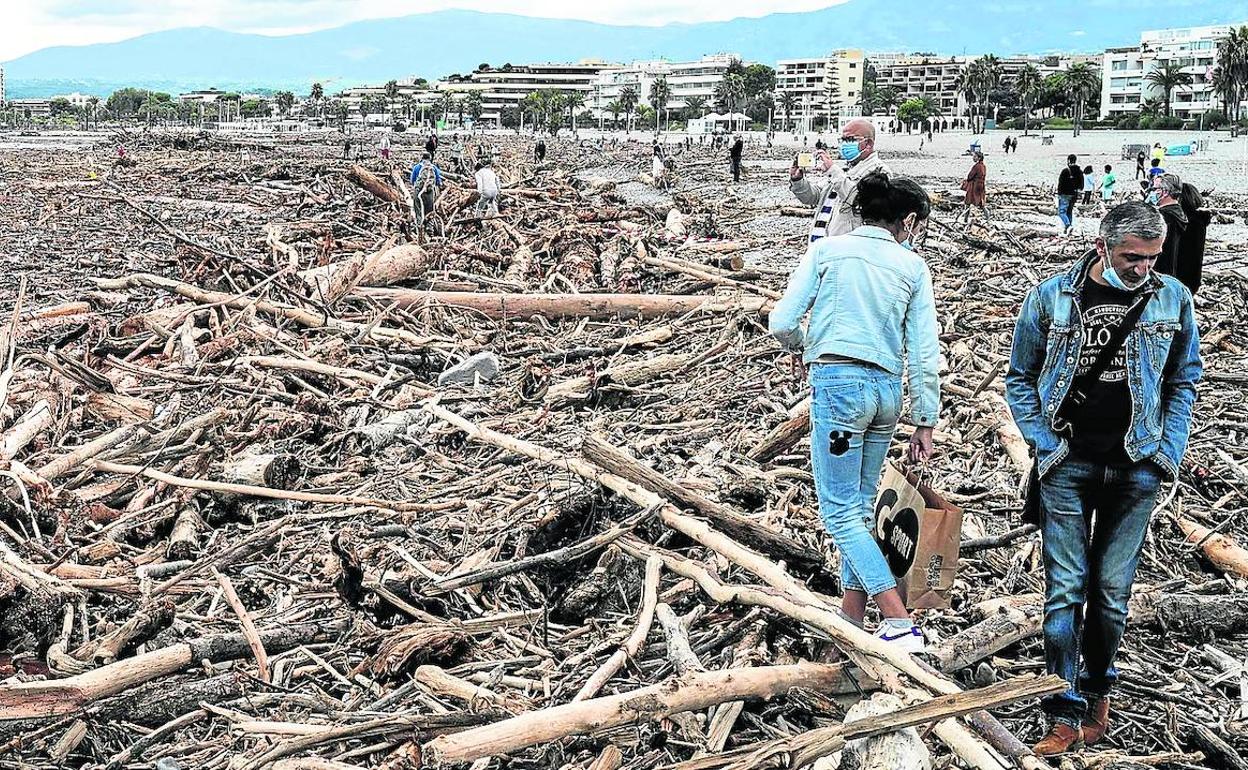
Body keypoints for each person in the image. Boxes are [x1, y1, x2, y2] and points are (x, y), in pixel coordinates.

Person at [1005, 201, 1201, 755]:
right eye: (1131, 257)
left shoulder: (1172, 298)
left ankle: (1097, 693)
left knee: (1111, 596)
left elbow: (1183, 379)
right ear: (1102, 247)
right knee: (1064, 593)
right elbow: (1020, 378)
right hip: (1068, 465)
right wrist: (1045, 442)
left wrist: (1167, 453)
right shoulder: (1051, 297)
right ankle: (1063, 710)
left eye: (1152, 257)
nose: (1143, 268)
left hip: (1138, 465)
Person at [769, 172, 940, 653]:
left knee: (839, 512)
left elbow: (781, 321)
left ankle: (899, 622)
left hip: (840, 388)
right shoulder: (912, 266)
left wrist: (808, 347)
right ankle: (851, 616)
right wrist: (925, 420)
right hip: (886, 393)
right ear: (908, 220)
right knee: (859, 507)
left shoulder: (827, 251)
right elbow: (923, 352)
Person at [790, 118, 892, 242]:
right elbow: (813, 197)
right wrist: (798, 181)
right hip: (823, 245)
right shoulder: (844, 170)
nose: (844, 144)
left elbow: (860, 201)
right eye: (842, 140)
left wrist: (832, 170)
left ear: (868, 144)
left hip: (848, 246)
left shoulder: (880, 171)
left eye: (850, 140)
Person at [1152, 172, 1187, 282]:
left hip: (1159, 273)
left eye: (1155, 189)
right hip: (1173, 274)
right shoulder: (1180, 214)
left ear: (1165, 192)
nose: (1153, 192)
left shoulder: (1162, 217)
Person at [409, 152, 444, 230]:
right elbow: (438, 182)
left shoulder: (416, 167)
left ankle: (419, 226)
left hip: (418, 191)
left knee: (418, 209)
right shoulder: (434, 168)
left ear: (422, 158)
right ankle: (429, 227)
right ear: (430, 158)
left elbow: (412, 180)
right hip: (429, 192)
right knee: (429, 211)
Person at [1056, 155, 1085, 235]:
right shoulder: (1079, 172)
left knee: (1062, 212)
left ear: (1068, 161)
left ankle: (1068, 225)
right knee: (1069, 211)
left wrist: (1059, 193)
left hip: (1065, 194)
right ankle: (1068, 229)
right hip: (1074, 195)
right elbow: (1082, 186)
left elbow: (1060, 183)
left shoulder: (1065, 171)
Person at [961, 150, 987, 218]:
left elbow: (970, 176)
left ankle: (965, 219)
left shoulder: (976, 166)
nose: (973, 158)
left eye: (975, 156)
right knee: (981, 204)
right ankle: (988, 218)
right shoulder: (983, 166)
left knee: (968, 202)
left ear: (979, 158)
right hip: (981, 186)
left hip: (974, 187)